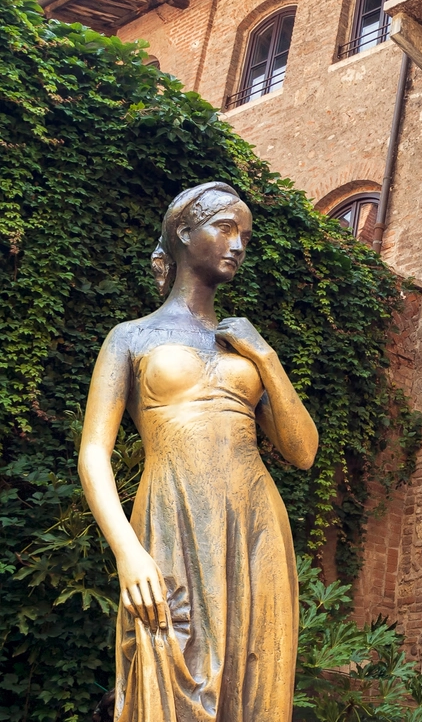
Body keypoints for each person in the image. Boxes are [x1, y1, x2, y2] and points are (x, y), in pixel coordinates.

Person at [78, 182, 318, 722]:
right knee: (166, 666)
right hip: (171, 515)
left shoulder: (246, 345)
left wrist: (266, 356)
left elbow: (302, 452)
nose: (238, 245)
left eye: (246, 236)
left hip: (254, 524)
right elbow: (94, 451)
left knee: (254, 685)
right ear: (184, 232)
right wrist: (127, 552)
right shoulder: (131, 337)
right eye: (226, 228)